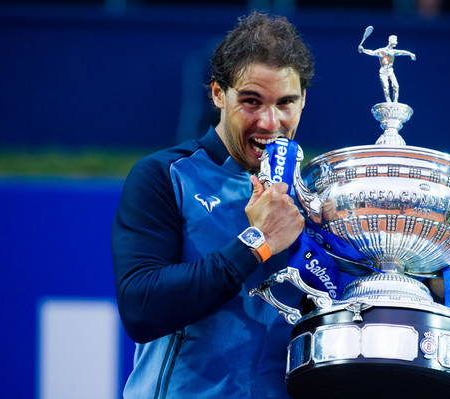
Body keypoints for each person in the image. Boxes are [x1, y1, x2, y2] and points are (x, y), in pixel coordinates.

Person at [111, 11, 314, 399]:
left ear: (303, 99)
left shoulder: (316, 199)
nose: (270, 122)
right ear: (219, 93)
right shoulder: (166, 175)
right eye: (251, 101)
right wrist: (258, 241)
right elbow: (141, 307)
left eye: (286, 103)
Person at [358, 35, 416, 103]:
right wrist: (363, 50)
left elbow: (402, 52)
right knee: (386, 87)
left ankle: (395, 102)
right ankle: (389, 102)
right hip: (383, 72)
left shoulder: (393, 52)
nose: (396, 42)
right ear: (391, 41)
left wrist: (411, 54)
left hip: (390, 72)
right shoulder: (382, 51)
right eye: (395, 41)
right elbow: (372, 52)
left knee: (396, 86)